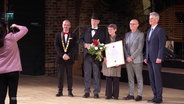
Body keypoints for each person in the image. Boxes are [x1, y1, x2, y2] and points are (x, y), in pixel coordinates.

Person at [79, 13, 107, 98]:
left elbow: (104, 43)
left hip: (96, 56)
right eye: (92, 20)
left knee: (96, 74)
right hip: (87, 56)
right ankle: (87, 91)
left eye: (95, 20)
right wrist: (85, 44)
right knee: (87, 74)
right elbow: (80, 40)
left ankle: (96, 92)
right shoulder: (86, 29)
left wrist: (101, 52)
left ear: (98, 22)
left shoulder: (102, 32)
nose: (93, 22)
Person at [0, 21, 28, 104]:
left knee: (1, 95)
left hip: (1, 72)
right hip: (13, 71)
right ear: (6, 29)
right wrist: (16, 25)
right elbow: (25, 29)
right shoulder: (11, 38)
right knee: (13, 95)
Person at [144, 12, 166, 103]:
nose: (150, 20)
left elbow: (162, 45)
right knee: (151, 78)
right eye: (149, 18)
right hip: (149, 58)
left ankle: (159, 97)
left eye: (152, 18)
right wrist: (145, 56)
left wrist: (159, 57)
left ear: (157, 20)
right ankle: (155, 95)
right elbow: (147, 45)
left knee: (157, 78)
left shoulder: (160, 30)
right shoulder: (149, 30)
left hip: (156, 58)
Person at [123, 19, 144, 101]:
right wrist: (127, 56)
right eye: (130, 24)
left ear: (137, 25)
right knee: (130, 78)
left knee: (139, 78)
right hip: (128, 60)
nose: (131, 25)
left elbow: (140, 48)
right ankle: (131, 94)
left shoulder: (140, 34)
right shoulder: (127, 34)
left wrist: (131, 57)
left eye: (133, 24)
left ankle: (139, 94)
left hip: (137, 60)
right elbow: (124, 47)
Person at [55, 19, 77, 97]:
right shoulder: (58, 35)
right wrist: (62, 55)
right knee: (60, 75)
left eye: (67, 25)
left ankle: (70, 91)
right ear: (62, 25)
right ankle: (60, 91)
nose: (66, 26)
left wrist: (68, 55)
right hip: (60, 58)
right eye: (64, 25)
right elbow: (56, 46)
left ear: (70, 26)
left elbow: (74, 47)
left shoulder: (73, 35)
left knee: (69, 75)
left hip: (69, 58)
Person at [101, 24, 122, 100]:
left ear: (115, 29)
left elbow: (121, 50)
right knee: (108, 78)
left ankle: (116, 95)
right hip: (108, 60)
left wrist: (119, 61)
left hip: (117, 60)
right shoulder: (105, 38)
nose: (109, 31)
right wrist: (104, 57)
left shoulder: (119, 38)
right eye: (108, 29)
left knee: (116, 78)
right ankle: (108, 95)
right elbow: (102, 49)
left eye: (111, 29)